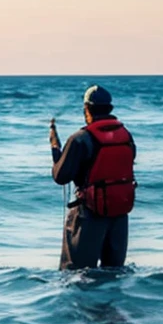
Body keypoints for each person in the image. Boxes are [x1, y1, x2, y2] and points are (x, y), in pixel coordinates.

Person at [50, 85, 136, 270]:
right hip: (119, 216)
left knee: (77, 275)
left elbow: (60, 176)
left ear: (87, 110)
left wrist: (55, 149)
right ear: (110, 109)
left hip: (89, 215)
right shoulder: (126, 136)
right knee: (113, 275)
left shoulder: (80, 139)